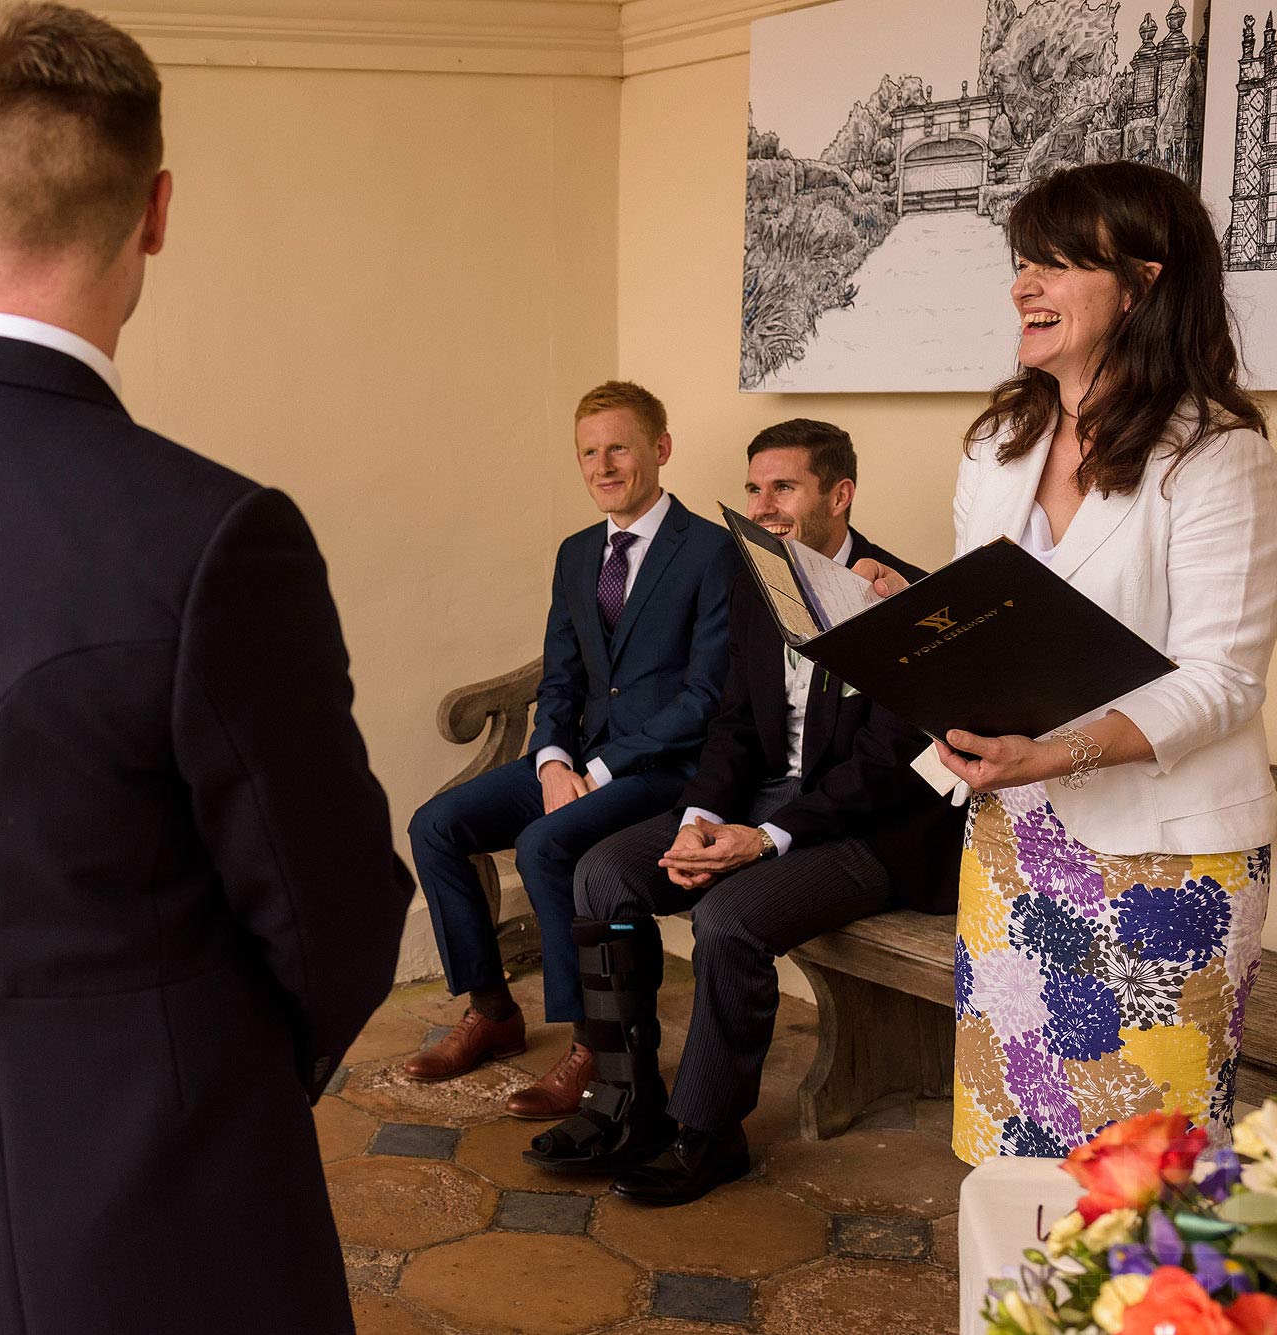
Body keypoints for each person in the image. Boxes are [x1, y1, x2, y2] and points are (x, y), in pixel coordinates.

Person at [0, 7, 413, 1333]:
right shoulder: (213, 536)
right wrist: (197, 1054)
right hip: (159, 1170)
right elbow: (332, 911)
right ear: (157, 210)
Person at [857, 161, 1277, 1163]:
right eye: (1019, 262)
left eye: (1052, 264)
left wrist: (1058, 755)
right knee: (1013, 1135)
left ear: (1141, 283)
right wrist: (911, 634)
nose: (1020, 286)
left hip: (1167, 861)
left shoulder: (1214, 453)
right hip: (1015, 840)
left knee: (1140, 1163)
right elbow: (991, 636)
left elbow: (1220, 681)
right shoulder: (997, 444)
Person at [521, 418, 960, 1204]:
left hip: (871, 833)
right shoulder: (757, 578)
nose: (763, 505)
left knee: (728, 917)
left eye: (783, 487)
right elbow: (730, 724)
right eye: (755, 487)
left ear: (840, 493)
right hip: (762, 803)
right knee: (602, 875)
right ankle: (625, 1102)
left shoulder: (902, 596)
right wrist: (699, 818)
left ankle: (706, 1130)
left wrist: (763, 838)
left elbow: (882, 771)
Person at [402, 381, 734, 1120]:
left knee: (546, 845)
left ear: (661, 450)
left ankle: (593, 1042)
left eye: (620, 446)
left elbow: (705, 698)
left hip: (658, 771)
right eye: (590, 451)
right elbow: (560, 676)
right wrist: (552, 762)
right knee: (436, 824)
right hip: (576, 758)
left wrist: (597, 770)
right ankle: (492, 1009)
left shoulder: (711, 551)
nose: (604, 465)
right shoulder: (576, 553)